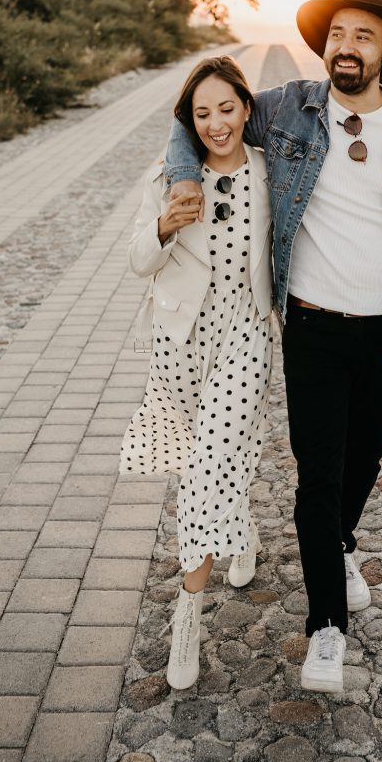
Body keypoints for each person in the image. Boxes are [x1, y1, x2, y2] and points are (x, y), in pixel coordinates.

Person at [164, 0, 382, 693]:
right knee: (318, 473)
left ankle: (339, 543)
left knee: (366, 456)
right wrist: (182, 180)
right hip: (312, 324)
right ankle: (326, 627)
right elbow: (193, 115)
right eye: (336, 35)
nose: (345, 48)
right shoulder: (288, 107)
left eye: (362, 37)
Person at [120, 55, 273, 689]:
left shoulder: (268, 169)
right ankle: (242, 528)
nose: (217, 124)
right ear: (190, 120)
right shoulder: (168, 178)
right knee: (205, 459)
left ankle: (189, 609)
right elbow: (136, 260)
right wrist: (162, 226)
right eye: (202, 113)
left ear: (245, 108)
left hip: (246, 332)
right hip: (181, 339)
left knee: (211, 461)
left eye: (227, 109)